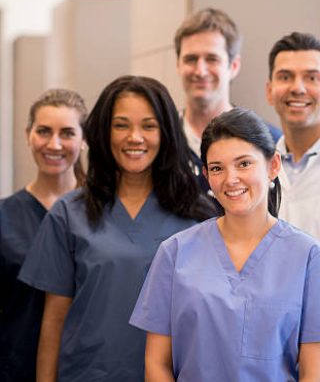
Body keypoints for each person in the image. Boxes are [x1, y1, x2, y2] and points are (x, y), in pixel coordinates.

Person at [18, 75, 214, 382]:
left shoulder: (198, 217)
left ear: (165, 133)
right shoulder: (69, 214)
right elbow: (53, 321)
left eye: (148, 126)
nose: (134, 137)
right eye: (121, 125)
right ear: (103, 132)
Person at [130, 107, 320, 381]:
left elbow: (313, 372)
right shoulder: (175, 253)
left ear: (273, 166)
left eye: (244, 163)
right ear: (207, 176)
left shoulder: (308, 257)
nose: (231, 179)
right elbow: (157, 364)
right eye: (218, 168)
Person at [0, 88, 87, 382]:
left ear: (84, 139)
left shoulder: (104, 215)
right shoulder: (4, 217)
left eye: (67, 133)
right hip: (15, 369)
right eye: (44, 131)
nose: (54, 143)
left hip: (89, 369)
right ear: (28, 135)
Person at [175, 7, 282, 193]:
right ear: (178, 65)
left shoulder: (270, 142)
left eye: (212, 59)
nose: (200, 71)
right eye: (191, 59)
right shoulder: (160, 141)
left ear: (233, 66)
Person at [266, 31, 320, 240]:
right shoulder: (256, 168)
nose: (298, 88)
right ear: (269, 91)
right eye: (285, 77)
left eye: (312, 77)